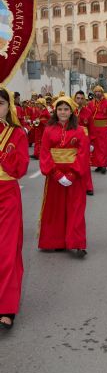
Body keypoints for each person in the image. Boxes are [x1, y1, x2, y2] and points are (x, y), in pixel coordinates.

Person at [38, 96, 89, 257]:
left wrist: (72, 174)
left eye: (66, 109)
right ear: (55, 111)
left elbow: (83, 154)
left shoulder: (80, 130)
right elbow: (44, 153)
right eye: (60, 109)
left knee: (76, 208)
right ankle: (55, 240)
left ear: (71, 111)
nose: (62, 112)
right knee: (55, 209)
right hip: (54, 177)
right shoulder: (48, 130)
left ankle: (77, 243)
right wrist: (57, 174)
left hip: (75, 176)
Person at [0, 87, 29, 329]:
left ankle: (6, 307)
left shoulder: (17, 134)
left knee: (7, 250)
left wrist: (4, 157)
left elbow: (20, 170)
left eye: (0, 103)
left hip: (7, 194)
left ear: (7, 107)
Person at [87, 85, 107, 174]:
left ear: (102, 93)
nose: (98, 93)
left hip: (104, 127)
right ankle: (98, 164)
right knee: (95, 147)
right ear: (94, 93)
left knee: (103, 147)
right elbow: (88, 115)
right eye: (96, 91)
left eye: (99, 91)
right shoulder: (90, 103)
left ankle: (103, 165)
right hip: (94, 127)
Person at [74, 90, 95, 196]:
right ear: (74, 98)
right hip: (72, 141)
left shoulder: (88, 112)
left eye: (82, 98)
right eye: (78, 98)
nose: (80, 100)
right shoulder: (70, 111)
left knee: (85, 164)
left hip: (84, 142)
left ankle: (88, 187)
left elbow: (91, 128)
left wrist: (91, 143)